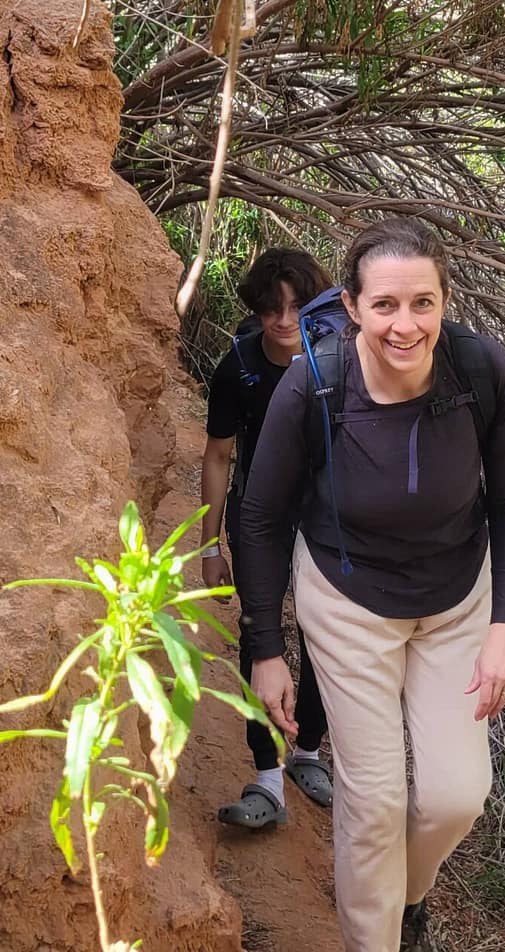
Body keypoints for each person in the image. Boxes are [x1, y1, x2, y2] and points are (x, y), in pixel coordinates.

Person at [233, 217, 505, 952]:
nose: (406, 325)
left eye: (423, 304)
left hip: (457, 602)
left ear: (445, 302)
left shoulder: (483, 371)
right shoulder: (315, 382)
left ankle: (410, 898)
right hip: (346, 602)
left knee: (456, 798)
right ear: (355, 305)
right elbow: (262, 517)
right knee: (370, 806)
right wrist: (267, 649)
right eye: (387, 305)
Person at [202, 247, 336, 829]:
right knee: (261, 635)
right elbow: (217, 455)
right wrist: (211, 545)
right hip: (257, 516)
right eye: (271, 309)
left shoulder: (338, 359)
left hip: (327, 518)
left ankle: (307, 750)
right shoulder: (239, 367)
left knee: (325, 635)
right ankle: (266, 779)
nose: (283, 321)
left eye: (297, 306)